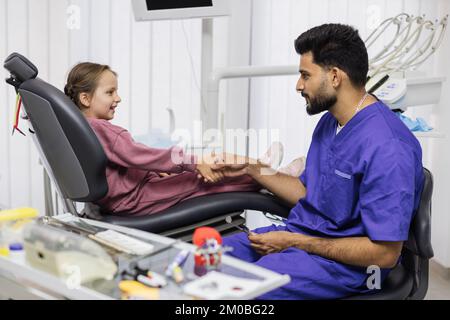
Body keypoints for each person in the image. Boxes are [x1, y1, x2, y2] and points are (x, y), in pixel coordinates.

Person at [219, 23, 425, 299]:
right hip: (301, 238)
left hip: (350, 268)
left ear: (335, 76)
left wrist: (295, 242)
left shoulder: (389, 147)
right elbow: (309, 194)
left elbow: (385, 254)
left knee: (239, 292)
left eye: (305, 75)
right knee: (200, 260)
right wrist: (250, 166)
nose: (298, 85)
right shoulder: (331, 122)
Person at [63, 62, 265, 215]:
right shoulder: (103, 130)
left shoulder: (82, 128)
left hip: (132, 191)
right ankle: (265, 179)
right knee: (200, 181)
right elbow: (138, 155)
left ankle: (261, 170)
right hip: (134, 199)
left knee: (196, 175)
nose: (118, 98)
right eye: (110, 92)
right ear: (85, 98)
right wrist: (194, 162)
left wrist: (155, 170)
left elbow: (124, 163)